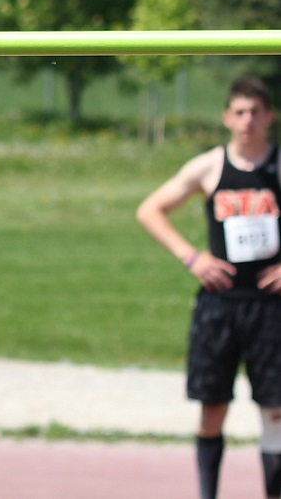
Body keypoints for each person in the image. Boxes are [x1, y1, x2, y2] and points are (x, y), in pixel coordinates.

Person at [137, 75, 281, 499]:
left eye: (256, 112)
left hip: (271, 306)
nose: (248, 121)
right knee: (212, 406)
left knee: (275, 409)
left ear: (270, 117)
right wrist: (191, 256)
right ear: (226, 117)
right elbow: (151, 209)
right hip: (220, 304)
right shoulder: (209, 166)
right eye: (239, 112)